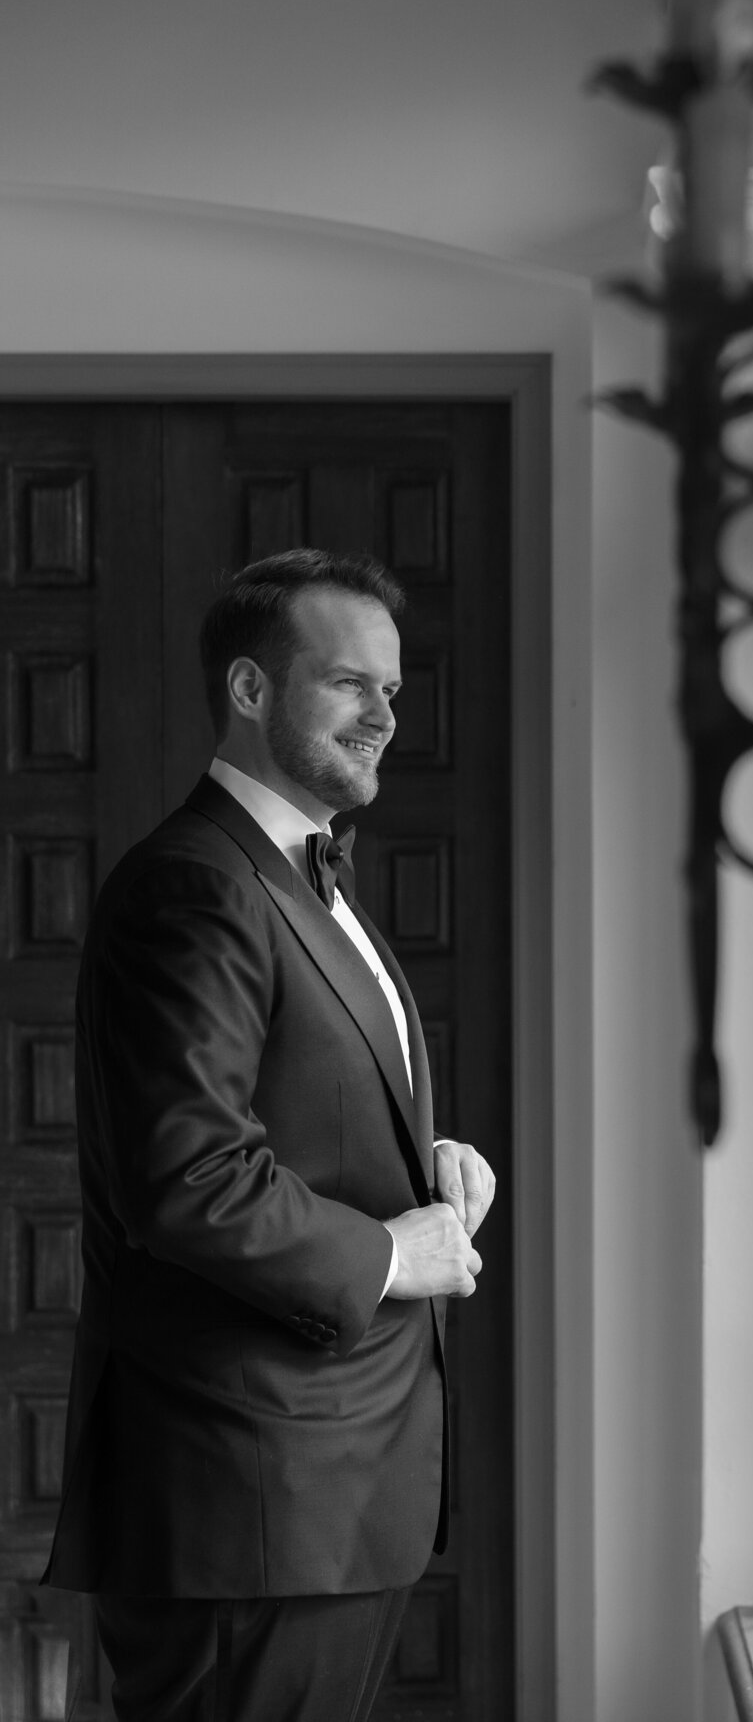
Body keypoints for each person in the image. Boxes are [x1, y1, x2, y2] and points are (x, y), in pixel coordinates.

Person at [43, 549, 494, 1721]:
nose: (386, 717)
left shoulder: (305, 877)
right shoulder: (194, 885)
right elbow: (190, 1178)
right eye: (350, 685)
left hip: (323, 1501)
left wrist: (425, 1165)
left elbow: (298, 1122)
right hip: (249, 1507)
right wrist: (399, 1255)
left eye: (393, 690)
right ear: (250, 691)